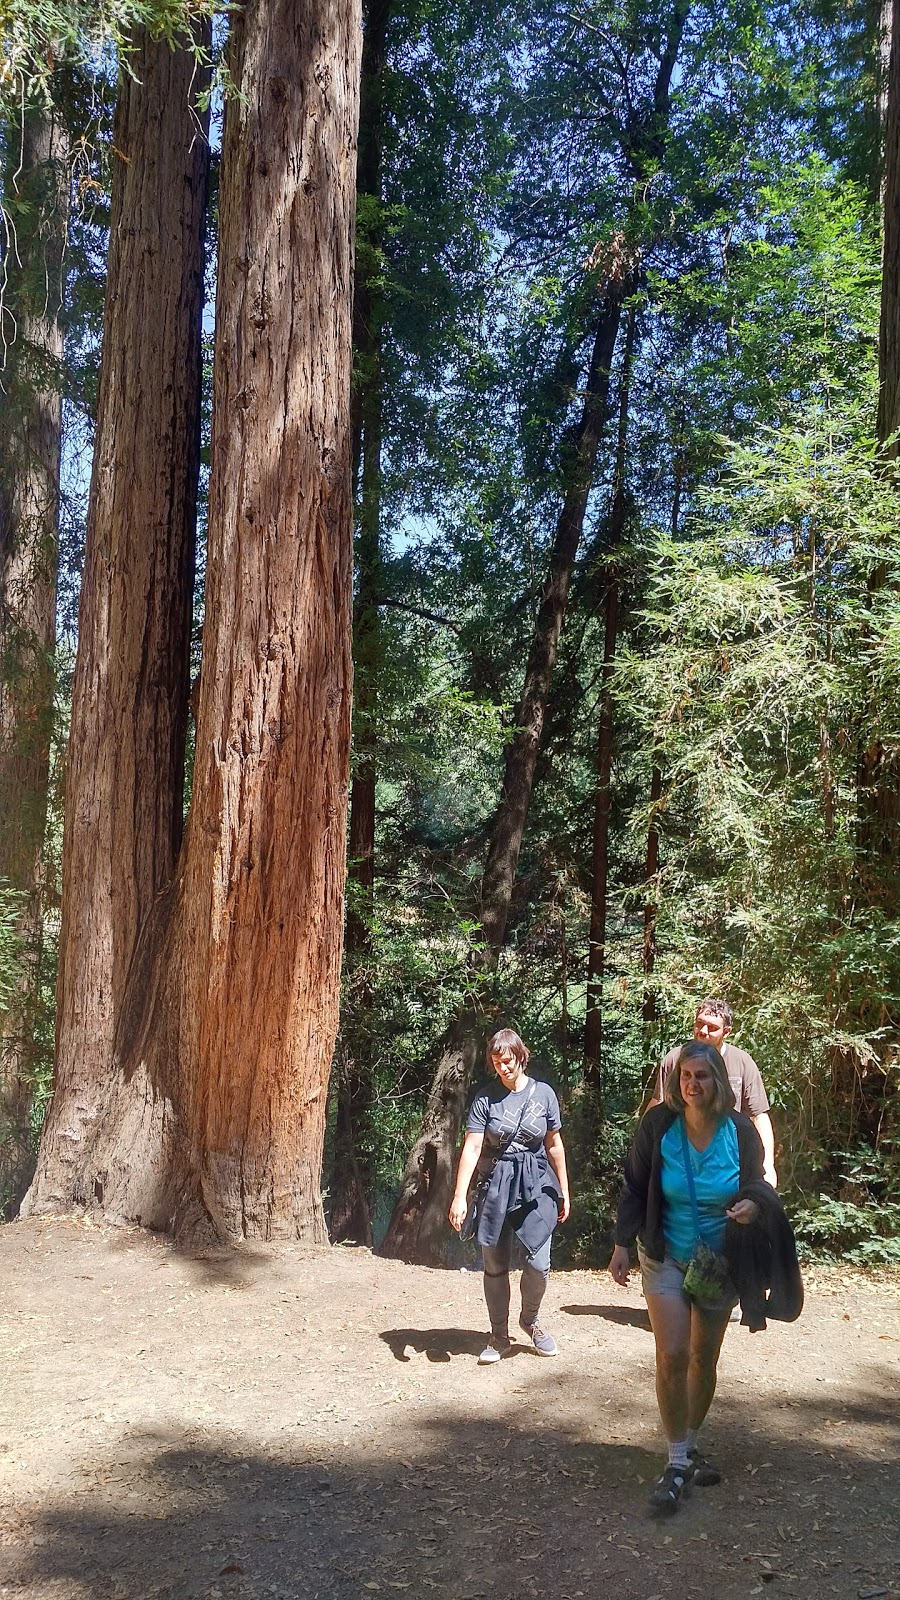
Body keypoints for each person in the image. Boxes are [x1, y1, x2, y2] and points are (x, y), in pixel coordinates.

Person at [609, 1040, 763, 1516]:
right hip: (665, 1254)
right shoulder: (658, 1126)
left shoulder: (739, 1131)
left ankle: (690, 1444)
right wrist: (620, 1245)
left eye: (701, 1076)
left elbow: (758, 1184)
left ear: (718, 1080)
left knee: (703, 1356)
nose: (692, 1084)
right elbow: (635, 1186)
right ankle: (676, 1461)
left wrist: (753, 1205)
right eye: (685, 1077)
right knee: (672, 1353)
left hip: (719, 1259)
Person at [449, 1028, 570, 1364]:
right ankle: (499, 1334)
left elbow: (554, 1144)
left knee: (538, 1263)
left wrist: (564, 1190)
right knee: (495, 1264)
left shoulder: (544, 1094)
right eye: (496, 1062)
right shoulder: (485, 1099)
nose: (502, 1067)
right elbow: (473, 1146)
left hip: (536, 1185)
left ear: (521, 1056)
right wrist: (460, 1195)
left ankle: (530, 1320)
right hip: (496, 1185)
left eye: (507, 1061)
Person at [648, 998, 777, 1187]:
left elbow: (758, 1115)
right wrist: (642, 1153)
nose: (703, 1032)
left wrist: (768, 1165)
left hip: (728, 1157)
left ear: (726, 1032)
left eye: (712, 1027)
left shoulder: (742, 1062)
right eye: (699, 1024)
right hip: (679, 1154)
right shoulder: (674, 1059)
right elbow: (658, 1104)